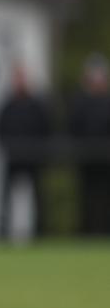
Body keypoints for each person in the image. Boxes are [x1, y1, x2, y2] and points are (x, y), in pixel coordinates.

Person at [0, 61, 51, 239]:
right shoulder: (8, 105)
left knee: (37, 197)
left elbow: (46, 127)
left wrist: (39, 148)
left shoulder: (36, 105)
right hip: (13, 156)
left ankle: (39, 232)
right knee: (6, 197)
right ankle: (3, 232)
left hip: (32, 157)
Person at [68, 54, 110, 235]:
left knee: (105, 197)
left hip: (106, 158)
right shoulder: (80, 101)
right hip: (85, 157)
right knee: (86, 197)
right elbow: (73, 126)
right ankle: (86, 232)